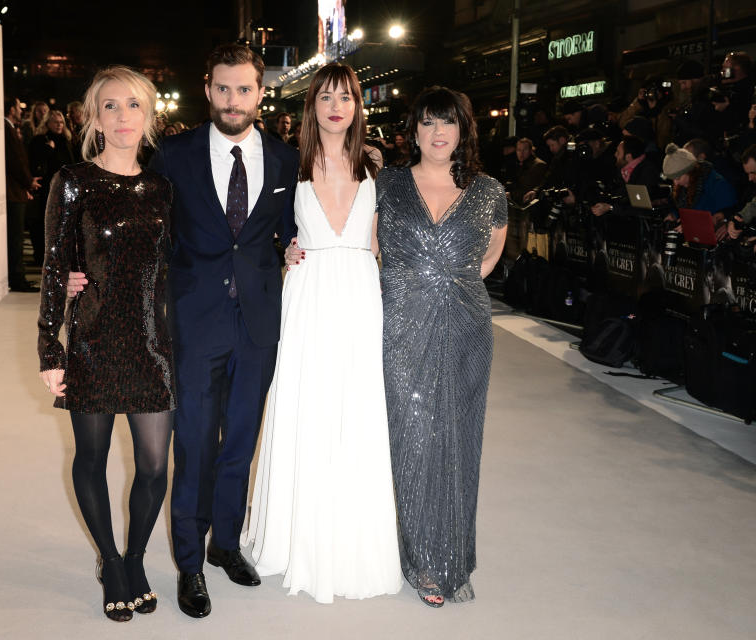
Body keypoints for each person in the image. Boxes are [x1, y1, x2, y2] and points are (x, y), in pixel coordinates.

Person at [68, 43, 298, 619]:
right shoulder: (174, 155)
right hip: (190, 324)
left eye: (244, 89)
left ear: (260, 93)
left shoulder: (285, 158)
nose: (233, 100)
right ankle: (190, 563)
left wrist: (298, 249)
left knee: (240, 440)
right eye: (223, 88)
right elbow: (131, 222)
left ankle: (226, 541)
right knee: (193, 445)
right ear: (208, 89)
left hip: (258, 323)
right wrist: (82, 272)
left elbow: (292, 226)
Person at [245, 62, 402, 604]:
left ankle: (354, 542)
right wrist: (280, 249)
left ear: (359, 106)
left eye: (347, 97)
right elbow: (259, 230)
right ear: (310, 105)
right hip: (308, 295)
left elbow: (384, 242)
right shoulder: (289, 163)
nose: (337, 106)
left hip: (360, 295)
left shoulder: (377, 167)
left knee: (355, 410)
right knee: (306, 406)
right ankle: (295, 539)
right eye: (326, 97)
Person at [37, 66, 175, 623]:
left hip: (151, 343)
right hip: (92, 338)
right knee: (91, 459)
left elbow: (175, 265)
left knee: (154, 464)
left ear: (149, 115)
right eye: (111, 106)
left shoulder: (163, 187)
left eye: (134, 105)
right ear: (93, 116)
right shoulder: (72, 180)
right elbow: (52, 266)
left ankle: (137, 555)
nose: (123, 117)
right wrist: (51, 348)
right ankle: (111, 562)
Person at [374, 86, 507, 606]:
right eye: (428, 123)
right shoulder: (387, 184)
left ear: (463, 130)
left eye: (447, 123)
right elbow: (367, 247)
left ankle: (454, 558)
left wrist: (449, 282)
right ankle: (422, 562)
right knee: (411, 440)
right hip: (401, 327)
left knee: (458, 440)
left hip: (466, 327)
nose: (437, 133)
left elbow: (491, 253)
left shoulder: (489, 190)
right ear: (414, 130)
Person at [4, 96, 41, 292]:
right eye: (19, 107)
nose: (21, 110)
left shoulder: (10, 128)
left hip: (16, 190)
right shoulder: (6, 129)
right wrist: (28, 183)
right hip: (13, 192)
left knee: (16, 237)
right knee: (15, 238)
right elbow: (15, 161)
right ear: (11, 109)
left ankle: (18, 277)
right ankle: (17, 279)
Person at [28, 109, 75, 264]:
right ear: (47, 123)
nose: (59, 125)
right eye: (56, 122)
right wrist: (48, 149)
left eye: (61, 122)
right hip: (47, 190)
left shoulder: (66, 140)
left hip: (65, 189)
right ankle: (42, 255)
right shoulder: (40, 140)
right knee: (45, 222)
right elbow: (36, 164)